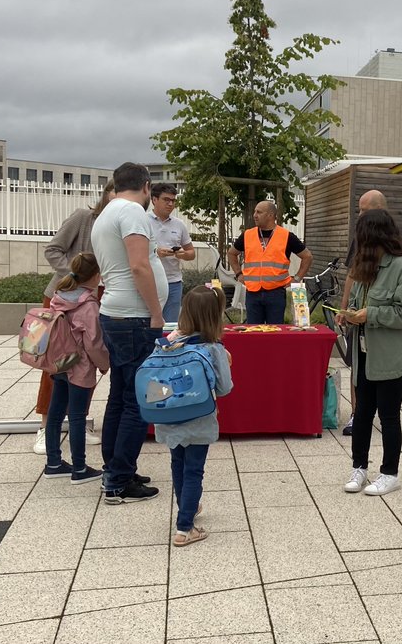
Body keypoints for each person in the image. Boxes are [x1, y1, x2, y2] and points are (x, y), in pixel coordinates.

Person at [91, 162, 166, 505]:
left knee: (120, 396)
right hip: (135, 317)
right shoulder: (133, 213)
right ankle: (119, 481)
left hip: (115, 314)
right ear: (147, 187)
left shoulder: (107, 213)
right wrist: (156, 312)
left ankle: (116, 467)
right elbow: (139, 266)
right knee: (138, 400)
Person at [339, 210, 402, 497]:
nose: (357, 242)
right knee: (362, 413)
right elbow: (363, 305)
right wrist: (350, 315)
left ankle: (389, 472)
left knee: (388, 415)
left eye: (360, 235)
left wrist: (369, 314)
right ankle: (359, 467)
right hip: (366, 353)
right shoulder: (365, 266)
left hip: (393, 356)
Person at [33, 182, 114, 454]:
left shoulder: (121, 224)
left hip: (98, 298)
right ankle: (46, 426)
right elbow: (52, 249)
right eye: (116, 193)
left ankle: (80, 420)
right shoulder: (84, 218)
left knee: (86, 361)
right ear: (106, 193)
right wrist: (77, 273)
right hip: (65, 298)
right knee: (56, 362)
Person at [158, 286, 233, 547]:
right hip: (199, 417)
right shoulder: (213, 348)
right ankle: (185, 527)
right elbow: (224, 388)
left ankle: (187, 508)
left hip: (169, 415)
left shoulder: (170, 340)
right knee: (194, 470)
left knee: (178, 464)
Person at [41, 252, 110, 485]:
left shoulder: (58, 297)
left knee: (56, 413)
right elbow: (93, 342)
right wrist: (104, 364)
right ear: (95, 276)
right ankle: (79, 468)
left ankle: (53, 463)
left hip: (59, 363)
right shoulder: (88, 305)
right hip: (79, 367)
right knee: (78, 416)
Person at [227, 200, 313, 324]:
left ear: (271, 215)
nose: (254, 215)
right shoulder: (247, 235)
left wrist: (297, 278)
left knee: (276, 333)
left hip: (276, 293)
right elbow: (231, 253)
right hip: (253, 293)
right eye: (254, 212)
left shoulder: (286, 236)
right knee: (254, 333)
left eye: (259, 212)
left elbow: (307, 256)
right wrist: (238, 274)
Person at [148, 183, 196, 323]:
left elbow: (191, 252)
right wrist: (156, 252)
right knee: (150, 323)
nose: (170, 204)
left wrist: (183, 254)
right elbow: (134, 251)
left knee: (170, 325)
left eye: (173, 201)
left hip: (173, 282)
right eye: (166, 200)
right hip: (151, 281)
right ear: (154, 200)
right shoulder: (143, 221)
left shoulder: (179, 224)